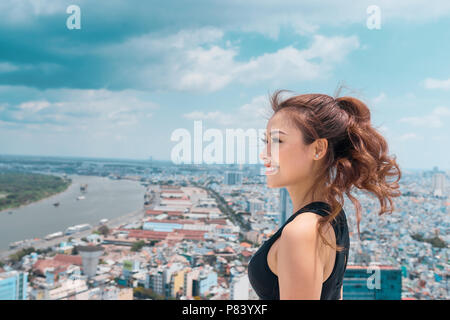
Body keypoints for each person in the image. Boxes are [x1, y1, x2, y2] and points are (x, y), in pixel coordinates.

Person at [247, 88, 402, 300]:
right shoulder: (332, 216)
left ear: (318, 149)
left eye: (277, 141)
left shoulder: (301, 231)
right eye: (266, 142)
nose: (264, 154)